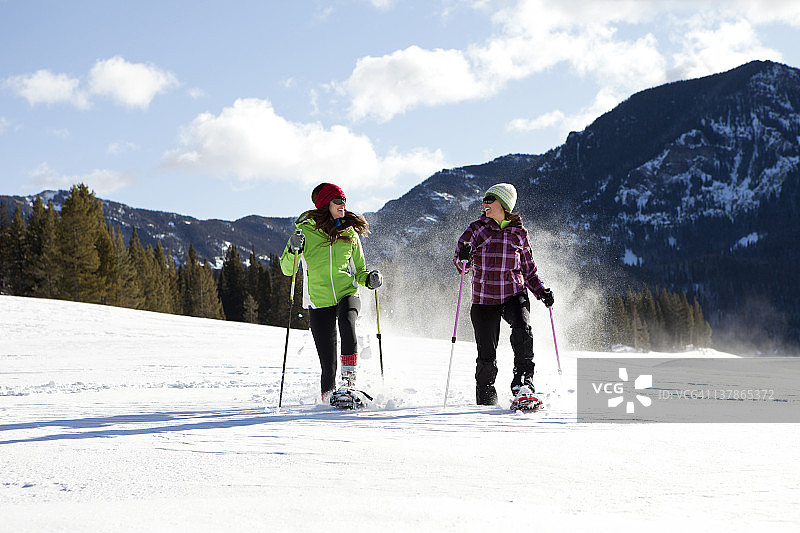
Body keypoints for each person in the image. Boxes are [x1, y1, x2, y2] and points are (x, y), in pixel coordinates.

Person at [280, 182, 382, 404]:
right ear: (325, 204)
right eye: (338, 200)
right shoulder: (305, 233)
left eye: (344, 199)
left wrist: (370, 279)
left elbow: (360, 271)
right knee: (328, 366)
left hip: (347, 293)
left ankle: (349, 385)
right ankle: (327, 402)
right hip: (319, 300)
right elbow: (287, 269)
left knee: (347, 322)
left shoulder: (349, 232)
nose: (343, 204)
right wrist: (292, 247)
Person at [453, 183, 554, 406]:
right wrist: (464, 257)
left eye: (490, 199)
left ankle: (523, 385)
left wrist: (541, 291)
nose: (484, 203)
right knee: (487, 354)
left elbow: (529, 270)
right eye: (484, 200)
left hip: (513, 293)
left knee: (523, 330)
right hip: (484, 299)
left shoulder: (519, 233)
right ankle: (486, 397)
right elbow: (460, 265)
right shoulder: (476, 229)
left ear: (504, 204)